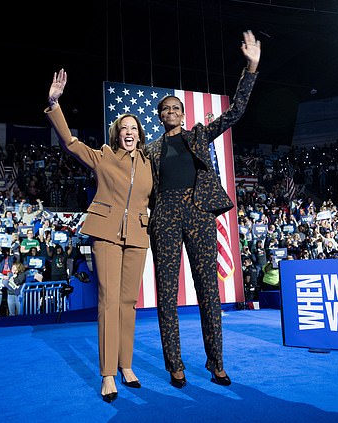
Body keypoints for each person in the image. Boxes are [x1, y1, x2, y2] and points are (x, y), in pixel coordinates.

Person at [144, 30, 261, 388]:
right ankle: (175, 365)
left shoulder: (198, 135)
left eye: (176, 108)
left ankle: (217, 363)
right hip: (164, 216)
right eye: (165, 109)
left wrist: (251, 66)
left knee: (209, 291)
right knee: (166, 294)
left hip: (198, 214)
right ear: (159, 116)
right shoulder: (149, 150)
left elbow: (236, 112)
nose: (172, 112)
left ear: (183, 113)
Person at [46, 68, 152, 403]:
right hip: (105, 233)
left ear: (141, 133)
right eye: (124, 129)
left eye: (134, 128)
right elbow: (71, 143)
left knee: (128, 303)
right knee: (108, 302)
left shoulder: (151, 163)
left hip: (137, 234)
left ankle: (127, 365)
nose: (129, 133)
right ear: (117, 133)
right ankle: (108, 374)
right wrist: (54, 103)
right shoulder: (104, 156)